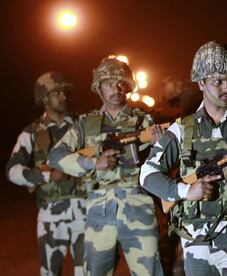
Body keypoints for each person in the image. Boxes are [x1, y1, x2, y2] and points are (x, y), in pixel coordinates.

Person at [140, 41, 227, 275]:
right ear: (201, 83)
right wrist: (187, 191)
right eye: (217, 81)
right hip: (195, 242)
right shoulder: (181, 130)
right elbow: (147, 175)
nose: (226, 87)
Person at [47, 57, 164, 275]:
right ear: (98, 88)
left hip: (138, 204)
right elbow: (55, 155)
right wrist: (93, 163)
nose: (116, 88)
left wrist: (160, 147)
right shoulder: (85, 124)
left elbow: (165, 165)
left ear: (128, 87)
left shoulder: (145, 121)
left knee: (149, 271)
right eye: (109, 83)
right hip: (99, 209)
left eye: (121, 83)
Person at [6, 72, 86, 276]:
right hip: (51, 214)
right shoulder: (31, 132)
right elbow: (12, 171)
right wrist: (47, 176)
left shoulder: (83, 125)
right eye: (56, 92)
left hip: (83, 210)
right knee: (50, 272)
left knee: (87, 272)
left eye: (64, 92)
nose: (64, 97)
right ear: (43, 98)